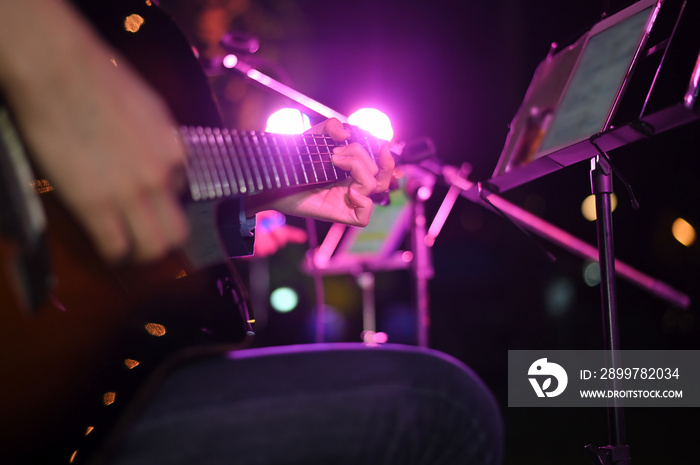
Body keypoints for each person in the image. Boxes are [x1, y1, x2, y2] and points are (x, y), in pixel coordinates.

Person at [0, 1, 503, 464]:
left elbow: (105, 260)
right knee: (442, 406)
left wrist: (269, 185)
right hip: (76, 410)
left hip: (95, 382)